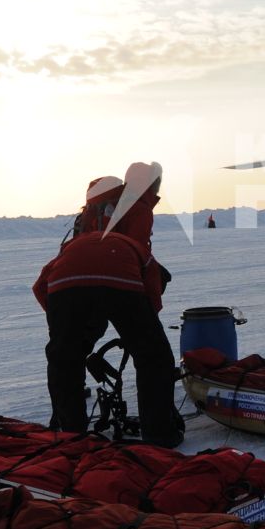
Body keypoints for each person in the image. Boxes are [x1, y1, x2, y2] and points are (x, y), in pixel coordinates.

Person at [33, 165, 184, 448]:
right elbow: (149, 282)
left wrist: (69, 330)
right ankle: (160, 434)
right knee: (154, 356)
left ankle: (70, 433)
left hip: (65, 281)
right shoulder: (137, 218)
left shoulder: (81, 231)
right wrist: (145, 324)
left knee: (64, 358)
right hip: (119, 270)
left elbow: (42, 287)